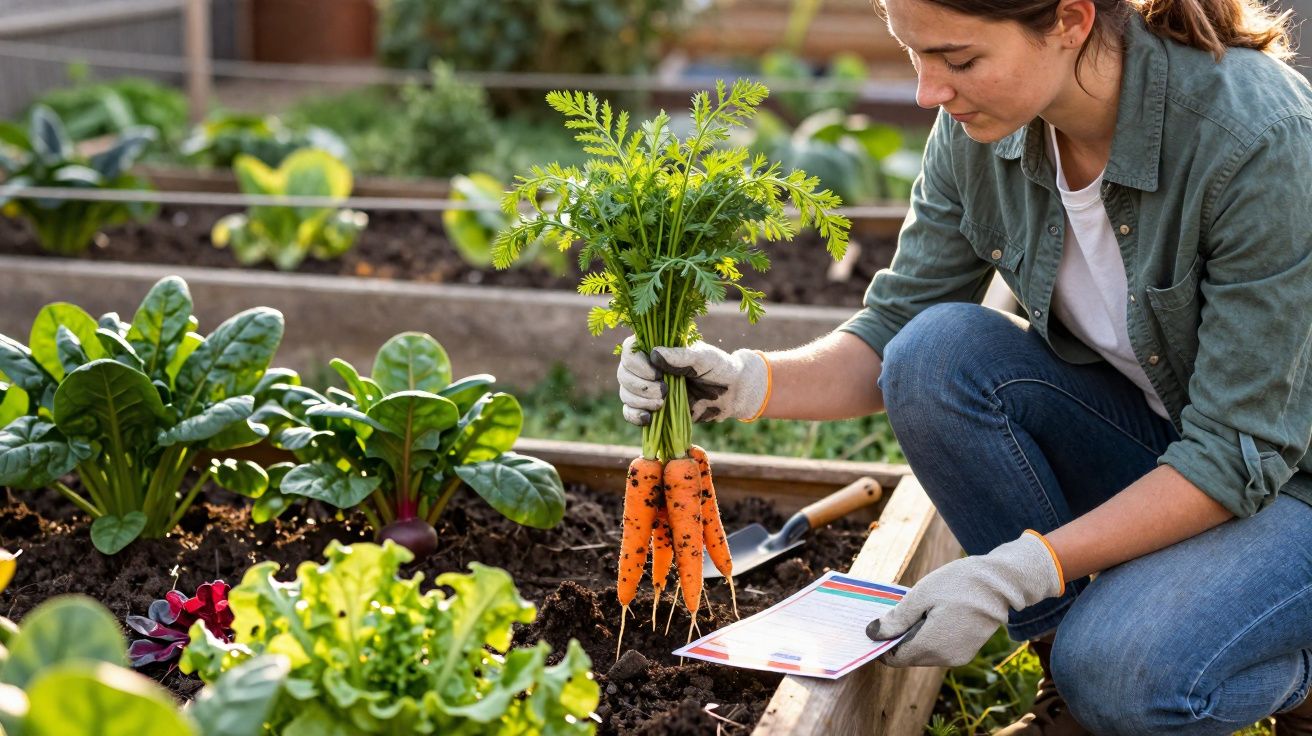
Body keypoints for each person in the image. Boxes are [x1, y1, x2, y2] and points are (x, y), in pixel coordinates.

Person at [615, 0, 1312, 731]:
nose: (928, 92)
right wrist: (743, 380)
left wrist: (1018, 571)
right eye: (914, 56)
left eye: (958, 59)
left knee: (1123, 669)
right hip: (1175, 447)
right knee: (935, 353)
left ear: (1070, 22)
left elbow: (1238, 449)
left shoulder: (1259, 140)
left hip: (1285, 478)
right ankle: (1068, 688)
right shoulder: (984, 131)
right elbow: (893, 332)